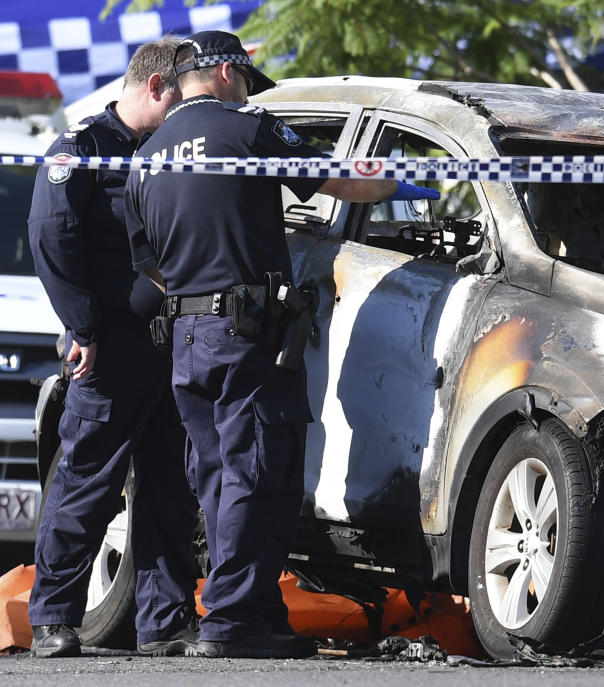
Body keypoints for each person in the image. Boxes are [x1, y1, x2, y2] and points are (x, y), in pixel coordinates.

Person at [123, 30, 439, 659]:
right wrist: (409, 183)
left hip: (186, 335)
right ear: (223, 74)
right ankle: (232, 621)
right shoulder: (245, 129)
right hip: (246, 336)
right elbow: (345, 180)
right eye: (243, 79)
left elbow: (148, 265)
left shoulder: (146, 155)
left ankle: (258, 609)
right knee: (254, 470)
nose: (246, 90)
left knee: (216, 476)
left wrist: (197, 294)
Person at [27, 37, 200, 658]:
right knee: (87, 483)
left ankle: (164, 623)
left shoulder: (172, 153)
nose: (188, 112)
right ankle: (52, 617)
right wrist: (82, 329)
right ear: (156, 87)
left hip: (171, 344)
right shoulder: (82, 151)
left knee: (170, 489)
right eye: (182, 97)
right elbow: (51, 241)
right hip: (110, 346)